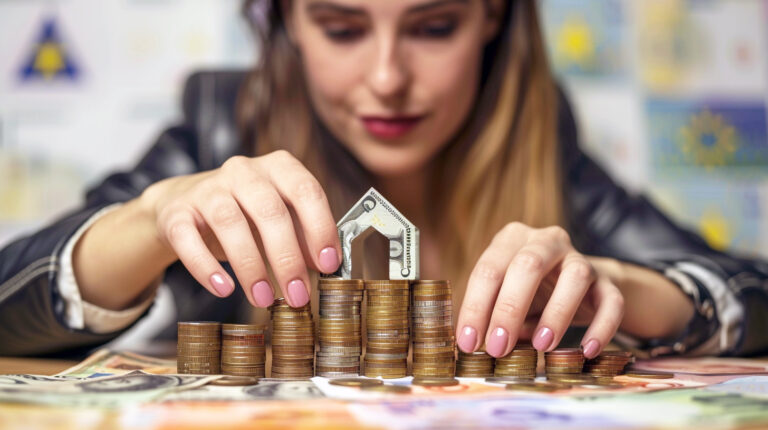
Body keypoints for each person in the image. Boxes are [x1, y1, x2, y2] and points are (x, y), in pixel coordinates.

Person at [0, 0, 766, 360]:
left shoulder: (540, 138)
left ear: (492, 18)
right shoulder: (221, 124)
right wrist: (147, 218)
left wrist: (634, 289)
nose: (388, 78)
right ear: (287, 24)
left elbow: (751, 292)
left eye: (434, 27)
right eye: (342, 28)